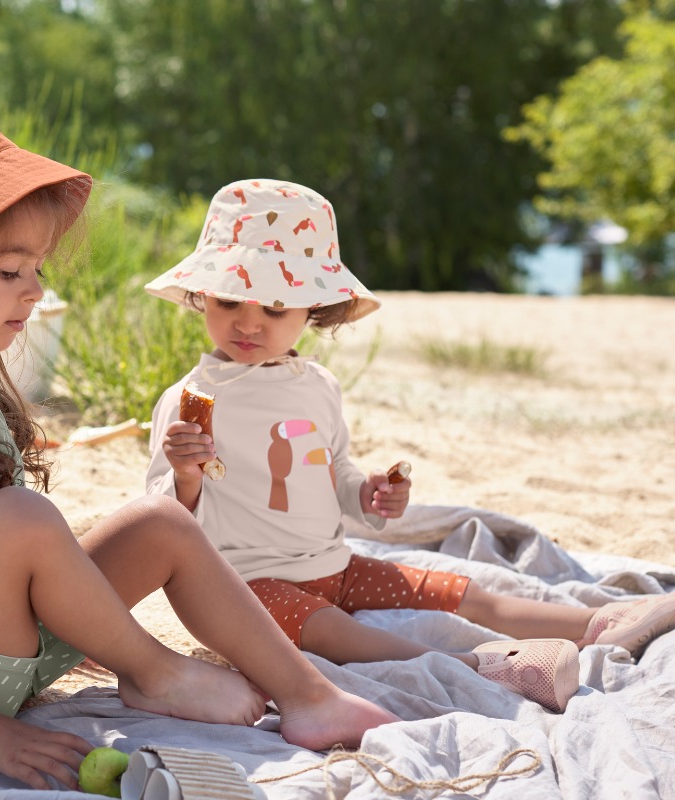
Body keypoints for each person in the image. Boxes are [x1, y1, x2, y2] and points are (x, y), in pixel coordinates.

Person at [0, 105, 399, 791]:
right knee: (21, 515)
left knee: (161, 520)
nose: (35, 289)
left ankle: (309, 696)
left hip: (9, 637)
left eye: (37, 269)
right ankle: (153, 669)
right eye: (9, 272)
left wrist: (81, 623)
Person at [144, 179, 675, 715]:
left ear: (314, 309)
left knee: (455, 590)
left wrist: (368, 495)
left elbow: (332, 475)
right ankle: (483, 667)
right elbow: (164, 526)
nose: (249, 321)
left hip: (334, 564)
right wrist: (185, 474)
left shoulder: (317, 386)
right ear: (201, 294)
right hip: (244, 589)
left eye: (277, 308)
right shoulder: (191, 400)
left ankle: (598, 622)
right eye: (230, 299)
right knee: (333, 632)